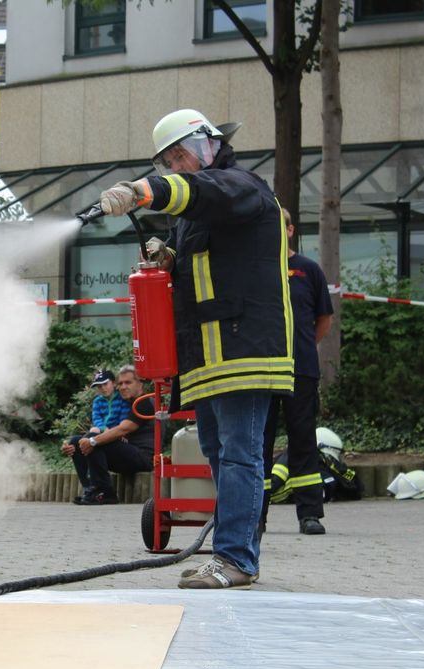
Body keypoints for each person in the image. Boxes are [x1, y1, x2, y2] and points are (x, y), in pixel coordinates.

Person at [99, 108, 294, 589]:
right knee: (218, 452)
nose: (176, 166)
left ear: (208, 144)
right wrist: (167, 257)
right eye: (168, 160)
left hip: (246, 351)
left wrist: (144, 190)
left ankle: (236, 560)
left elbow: (200, 191)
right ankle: (228, 554)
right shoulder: (200, 214)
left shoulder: (239, 185)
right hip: (208, 358)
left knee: (240, 456)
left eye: (180, 154)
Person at [260, 209, 334, 536]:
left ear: (290, 230)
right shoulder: (255, 269)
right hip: (260, 370)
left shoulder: (309, 270)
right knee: (257, 444)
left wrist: (301, 347)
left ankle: (309, 514)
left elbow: (323, 320)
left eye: (280, 226)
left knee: (303, 440)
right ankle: (254, 517)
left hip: (300, 369)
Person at [62, 365, 154, 505]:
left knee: (96, 442)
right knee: (76, 441)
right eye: (121, 383)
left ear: (140, 383)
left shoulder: (143, 403)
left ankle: (105, 493)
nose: (123, 387)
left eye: (128, 382)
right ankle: (90, 489)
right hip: (125, 452)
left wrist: (92, 440)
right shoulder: (128, 402)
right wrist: (75, 445)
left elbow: (123, 429)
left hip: (142, 457)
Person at [89, 368, 127, 435]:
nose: (103, 388)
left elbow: (123, 418)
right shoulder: (97, 401)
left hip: (117, 431)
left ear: (113, 383)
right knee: (93, 430)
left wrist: (117, 431)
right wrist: (104, 429)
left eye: (105, 384)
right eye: (99, 386)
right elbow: (96, 419)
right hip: (103, 430)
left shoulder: (122, 398)